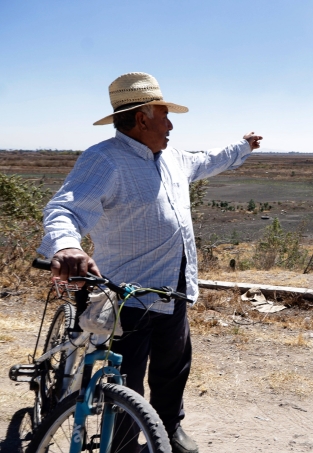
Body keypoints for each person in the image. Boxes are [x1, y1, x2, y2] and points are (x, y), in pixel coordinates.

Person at [37, 72, 261, 453]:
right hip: (128, 297)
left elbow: (207, 160)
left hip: (172, 288)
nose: (171, 124)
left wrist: (242, 146)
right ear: (142, 118)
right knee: (126, 380)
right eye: (164, 114)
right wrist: (66, 246)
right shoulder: (104, 160)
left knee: (173, 368)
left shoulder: (172, 157)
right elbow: (65, 208)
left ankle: (169, 429)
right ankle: (126, 445)